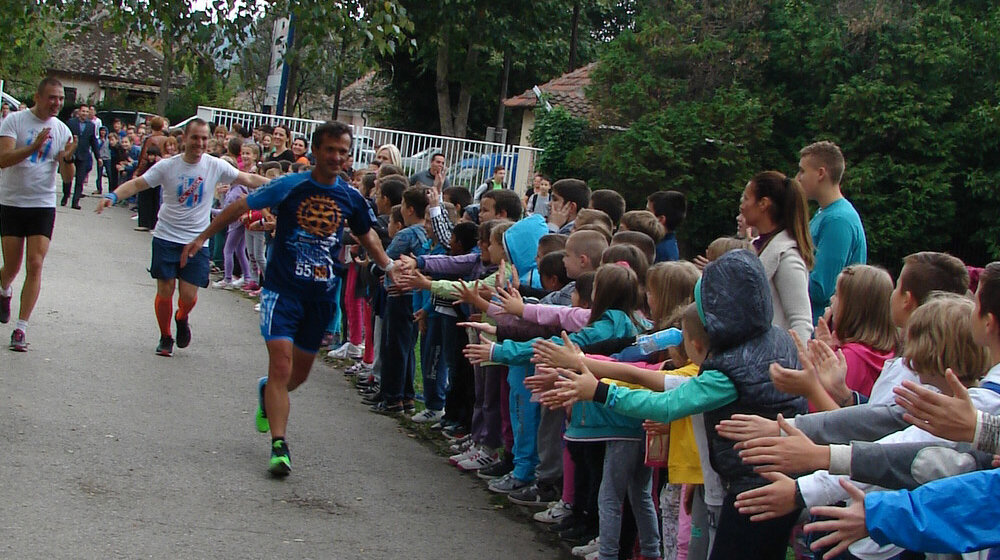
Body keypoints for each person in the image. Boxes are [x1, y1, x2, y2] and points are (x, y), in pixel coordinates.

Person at [180, 121, 399, 477]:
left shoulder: (350, 197)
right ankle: (279, 446)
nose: (336, 157)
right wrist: (201, 237)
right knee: (281, 366)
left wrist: (388, 266)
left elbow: (368, 236)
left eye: (343, 152)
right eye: (330, 150)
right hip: (282, 292)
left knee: (295, 377)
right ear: (316, 151)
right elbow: (239, 207)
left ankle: (267, 392)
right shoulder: (290, 185)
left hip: (320, 298)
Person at [96, 118, 267, 356]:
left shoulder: (215, 165)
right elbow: (137, 184)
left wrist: (283, 184)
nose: (200, 143)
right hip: (167, 236)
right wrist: (113, 196)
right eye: (195, 138)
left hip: (197, 240)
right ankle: (165, 336)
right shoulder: (168, 166)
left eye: (205, 138)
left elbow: (248, 179)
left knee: (188, 295)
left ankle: (182, 316)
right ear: (185, 139)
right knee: (165, 289)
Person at [0, 77, 76, 351]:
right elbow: (3, 159)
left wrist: (67, 158)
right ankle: (4, 289)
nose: (57, 103)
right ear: (38, 97)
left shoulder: (62, 130)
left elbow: (67, 177)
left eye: (61, 99)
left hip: (41, 204)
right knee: (12, 267)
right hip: (11, 201)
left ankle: (21, 328)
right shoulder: (14, 121)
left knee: (35, 263)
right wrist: (34, 146)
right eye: (52, 97)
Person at [738, 171, 815, 342]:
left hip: (774, 356)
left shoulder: (787, 257)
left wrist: (796, 358)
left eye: (746, 198)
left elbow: (801, 321)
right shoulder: (758, 246)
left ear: (763, 204)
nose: (742, 205)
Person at [796, 141, 867, 323]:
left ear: (821, 173)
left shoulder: (838, 220)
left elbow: (822, 289)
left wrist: (785, 274)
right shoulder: (825, 213)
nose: (798, 178)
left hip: (822, 328)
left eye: (802, 171)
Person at [63, 105, 101, 209]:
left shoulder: (91, 125)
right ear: (79, 112)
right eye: (83, 111)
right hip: (71, 153)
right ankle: (66, 195)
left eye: (87, 112)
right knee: (68, 178)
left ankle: (75, 201)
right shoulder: (71, 122)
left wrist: (98, 157)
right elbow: (65, 137)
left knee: (80, 180)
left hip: (83, 155)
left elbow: (93, 141)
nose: (84, 113)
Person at [646, 191, 687, 262]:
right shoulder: (668, 245)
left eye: (648, 212)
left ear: (660, 220)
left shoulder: (659, 252)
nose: (643, 214)